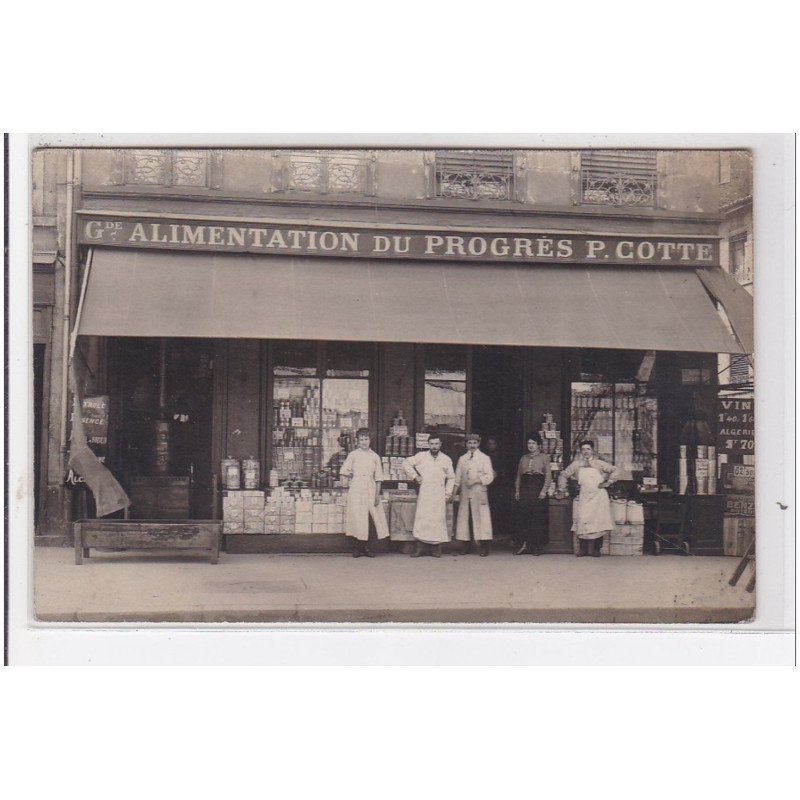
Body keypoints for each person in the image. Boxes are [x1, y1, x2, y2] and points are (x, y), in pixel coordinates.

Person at [557, 439, 621, 557]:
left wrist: (608, 483)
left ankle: (597, 549)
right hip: (585, 496)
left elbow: (616, 470)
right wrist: (562, 488)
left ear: (592, 450)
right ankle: (583, 549)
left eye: (588, 449)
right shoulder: (576, 464)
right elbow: (563, 474)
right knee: (583, 520)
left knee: (598, 522)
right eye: (583, 449)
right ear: (580, 451)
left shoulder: (599, 463)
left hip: (598, 496)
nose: (586, 451)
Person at [403, 434, 455, 557]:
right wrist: (416, 477)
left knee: (437, 520)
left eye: (436, 444)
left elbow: (452, 478)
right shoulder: (421, 456)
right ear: (428, 444)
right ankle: (420, 548)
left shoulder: (446, 459)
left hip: (439, 493)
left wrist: (448, 494)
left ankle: (435, 548)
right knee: (423, 519)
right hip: (425, 492)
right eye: (431, 444)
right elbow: (406, 463)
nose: (434, 446)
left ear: (440, 444)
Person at [339, 428, 389, 558]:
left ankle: (366, 547)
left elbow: (378, 477)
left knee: (371, 518)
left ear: (370, 440)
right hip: (356, 487)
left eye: (366, 439)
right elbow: (344, 470)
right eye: (361, 439)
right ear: (357, 441)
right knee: (357, 516)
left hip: (371, 488)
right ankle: (357, 548)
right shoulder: (353, 455)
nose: (364, 442)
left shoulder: (375, 456)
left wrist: (377, 495)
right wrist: (350, 476)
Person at [453, 433, 495, 556]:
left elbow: (489, 476)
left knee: (482, 518)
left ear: (478, 444)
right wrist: (453, 494)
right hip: (466, 493)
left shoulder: (484, 458)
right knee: (466, 518)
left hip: (479, 492)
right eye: (470, 443)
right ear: (466, 444)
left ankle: (484, 546)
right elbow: (457, 478)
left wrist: (476, 480)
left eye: (474, 443)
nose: (472, 445)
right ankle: (466, 545)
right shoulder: (462, 459)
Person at [513, 432, 553, 555]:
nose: (531, 445)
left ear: (539, 445)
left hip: (537, 486)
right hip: (525, 487)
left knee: (537, 517)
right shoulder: (523, 458)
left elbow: (548, 476)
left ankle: (536, 546)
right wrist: (517, 490)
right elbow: (519, 476)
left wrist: (543, 491)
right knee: (524, 516)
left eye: (533, 443)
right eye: (529, 443)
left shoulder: (544, 457)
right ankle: (524, 545)